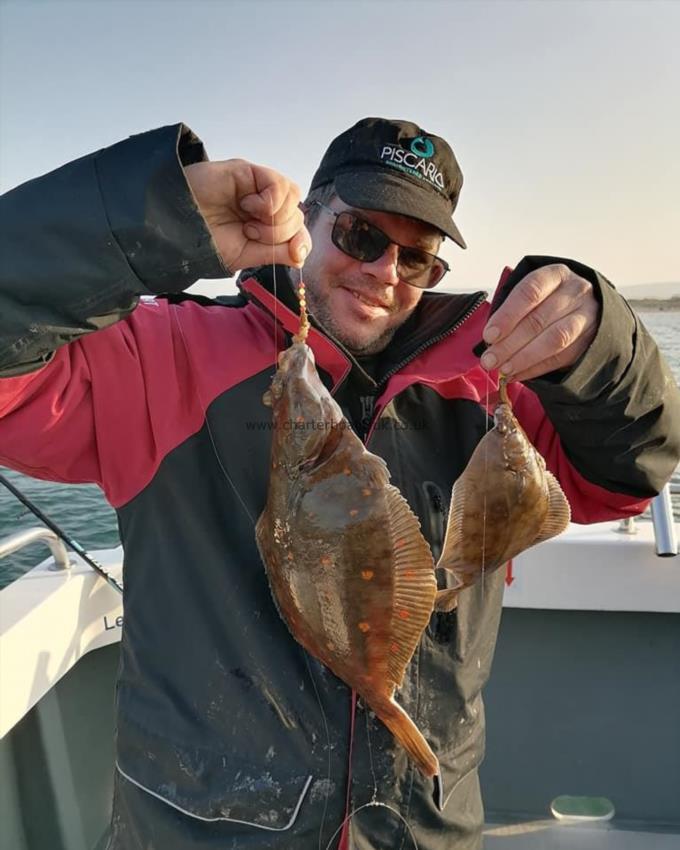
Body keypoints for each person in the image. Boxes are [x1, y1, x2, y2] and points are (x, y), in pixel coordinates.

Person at [0, 117, 678, 850]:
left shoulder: (498, 376)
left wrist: (604, 344)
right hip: (206, 830)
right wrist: (155, 222)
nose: (385, 270)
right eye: (360, 236)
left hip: (423, 827)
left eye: (417, 259)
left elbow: (627, 473)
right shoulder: (162, 354)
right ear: (310, 219)